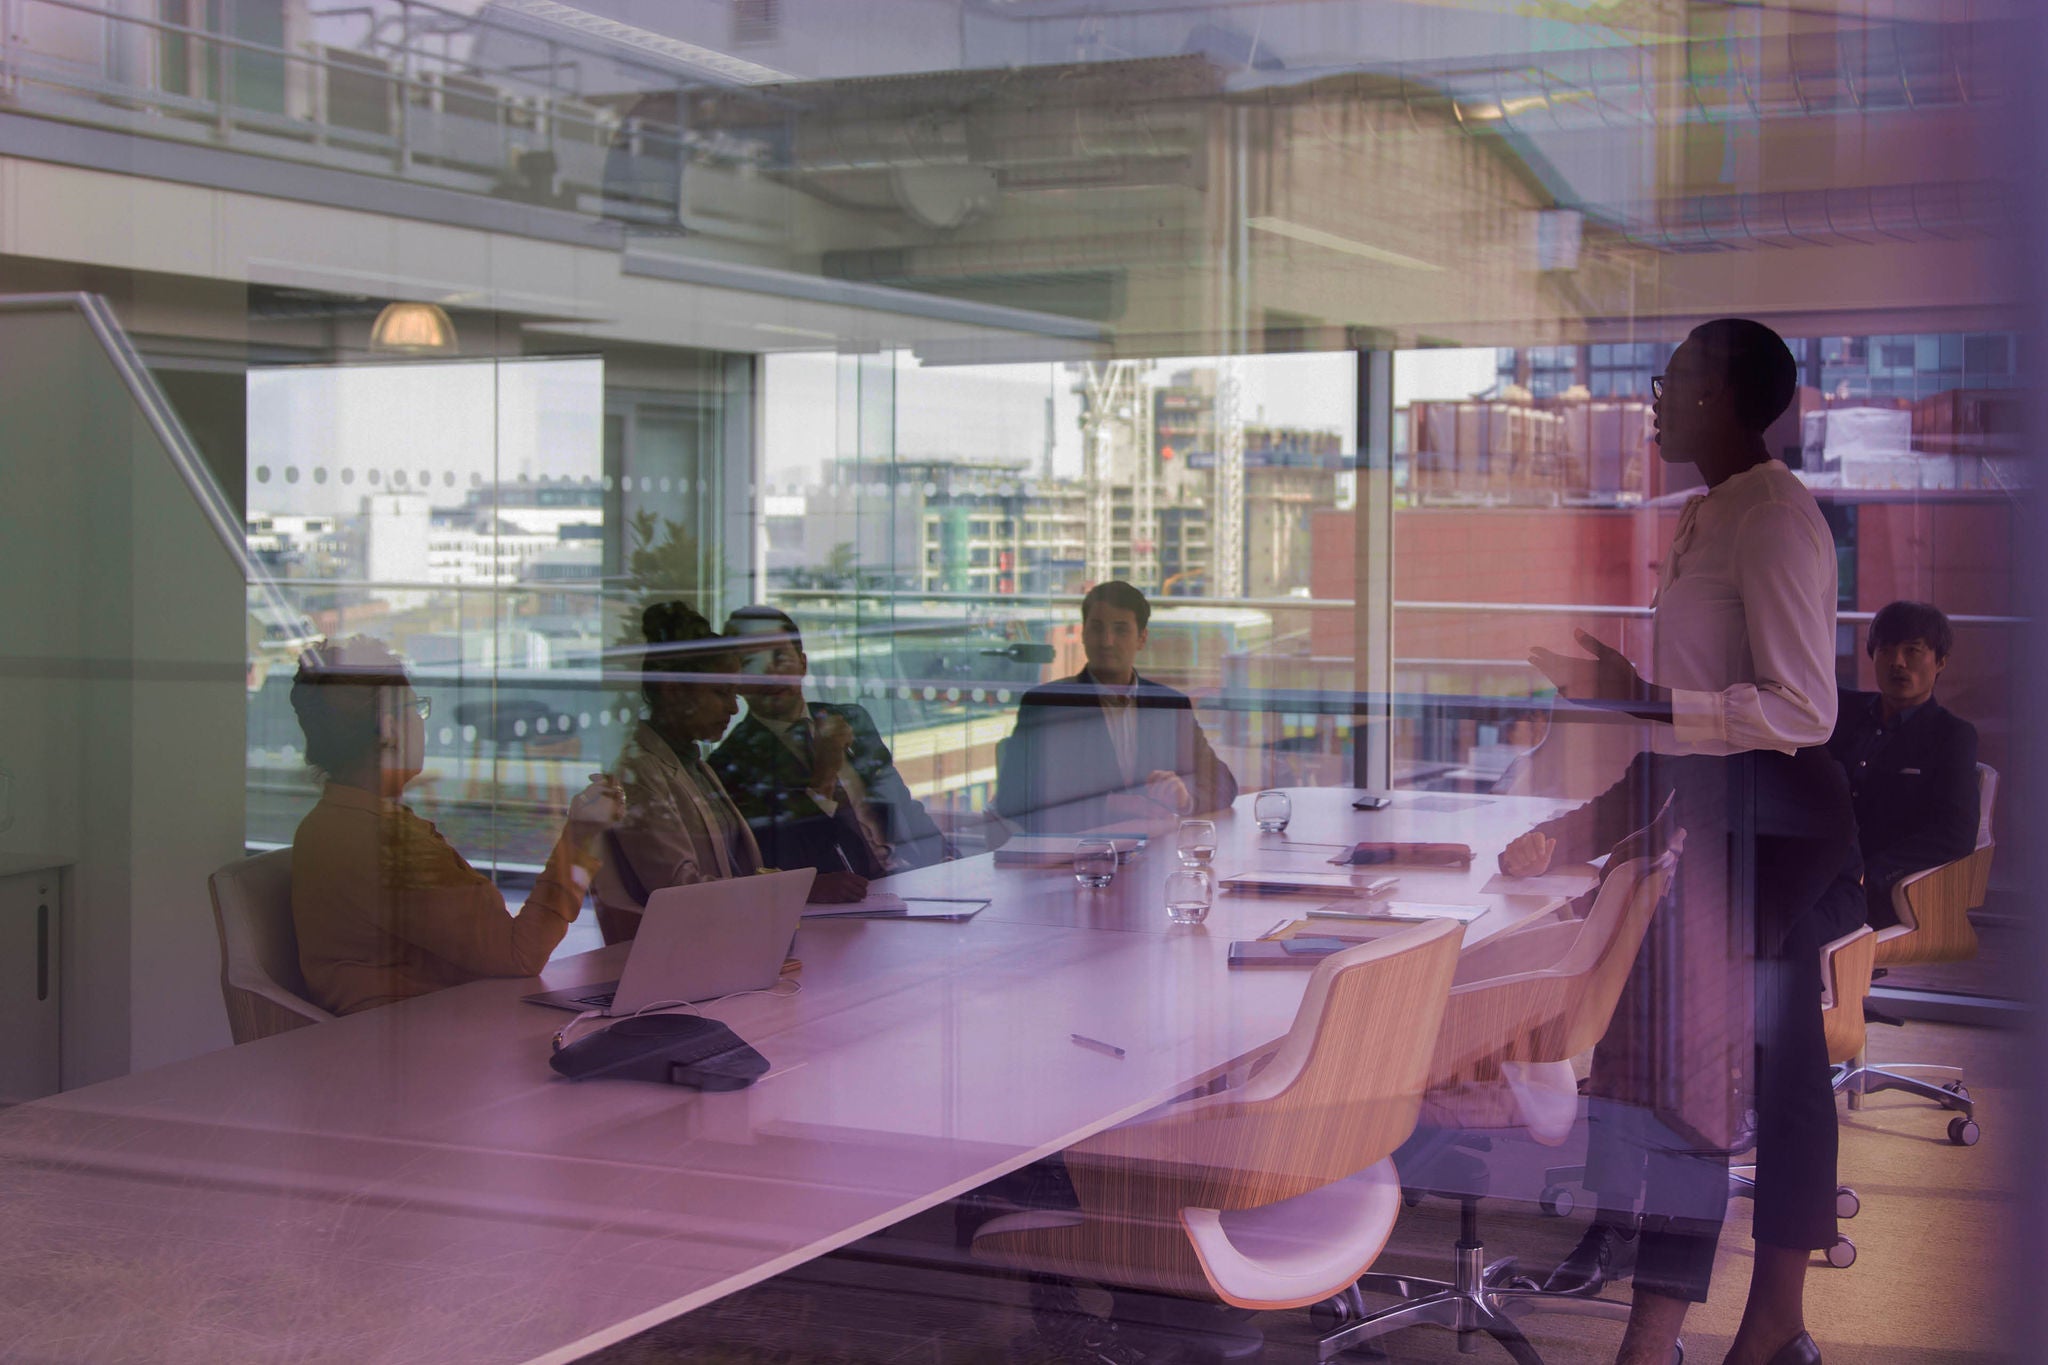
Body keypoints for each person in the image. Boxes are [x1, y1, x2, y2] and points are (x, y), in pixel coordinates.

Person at [1525, 319, 1853, 1365]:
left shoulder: (1773, 520)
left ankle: (1672, 1341)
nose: (1652, 401)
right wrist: (1589, 803)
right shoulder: (1710, 513)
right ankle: (1760, 1329)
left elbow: (1802, 711)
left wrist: (1645, 699)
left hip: (1770, 827)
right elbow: (1683, 729)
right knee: (1753, 1078)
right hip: (1725, 821)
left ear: (1717, 396)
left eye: (1667, 383)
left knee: (1695, 1088)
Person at [289, 636, 622, 1016]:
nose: (421, 720)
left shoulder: (324, 823)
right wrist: (580, 839)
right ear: (389, 728)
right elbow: (520, 953)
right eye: (415, 707)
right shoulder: (387, 843)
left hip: (382, 1038)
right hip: (427, 1042)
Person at [595, 602, 867, 945]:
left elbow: (733, 870)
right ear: (674, 691)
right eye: (721, 693)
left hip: (727, 943)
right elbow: (680, 891)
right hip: (688, 955)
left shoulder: (693, 764)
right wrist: (796, 889)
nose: (734, 707)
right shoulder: (638, 773)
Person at [709, 604, 947, 879]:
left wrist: (952, 866)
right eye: (752, 662)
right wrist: (823, 774)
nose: (770, 673)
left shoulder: (853, 718)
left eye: (780, 656)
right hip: (845, 902)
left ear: (803, 663)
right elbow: (779, 857)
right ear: (735, 679)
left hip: (914, 880)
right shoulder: (730, 763)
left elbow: (903, 807)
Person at [992, 581, 1237, 834]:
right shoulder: (1047, 704)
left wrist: (1186, 799)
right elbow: (1012, 800)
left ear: (1142, 638)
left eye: (1120, 630)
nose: (1107, 641)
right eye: (1097, 628)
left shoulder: (1169, 705)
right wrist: (1108, 805)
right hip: (1074, 859)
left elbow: (1224, 784)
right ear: (1084, 634)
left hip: (1154, 861)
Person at [1824, 600, 1981, 930]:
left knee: (1793, 927)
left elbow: (1955, 834)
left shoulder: (1952, 736)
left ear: (1940, 661)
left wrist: (1874, 873)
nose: (1897, 662)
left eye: (1912, 651)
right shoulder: (1840, 711)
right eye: (1886, 649)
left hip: (1882, 890)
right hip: (1818, 871)